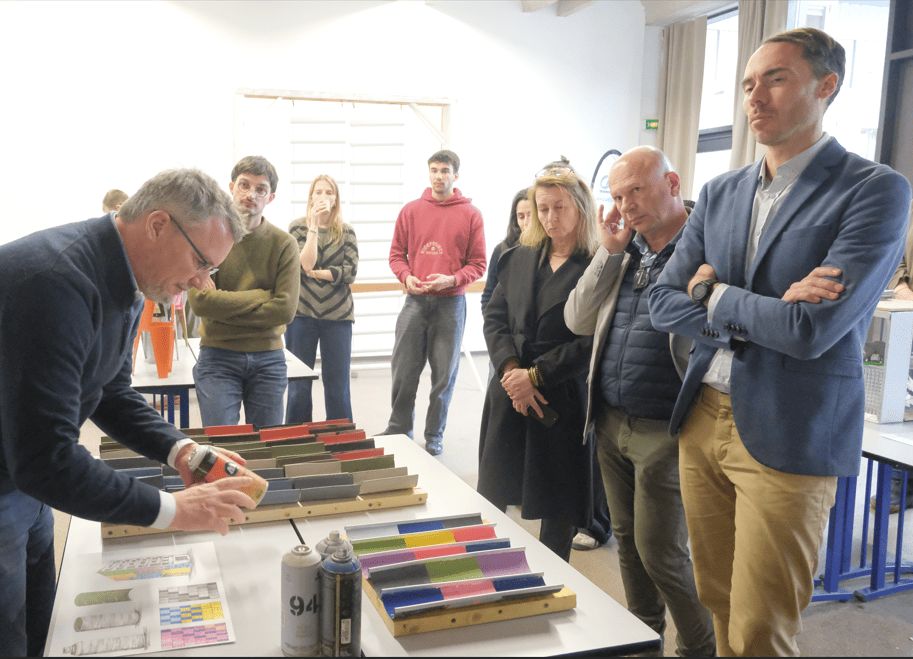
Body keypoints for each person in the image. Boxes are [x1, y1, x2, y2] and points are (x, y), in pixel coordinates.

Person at [648, 27, 912, 656]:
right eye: (747, 84)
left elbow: (810, 330)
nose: (754, 97)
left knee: (762, 627)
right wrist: (758, 307)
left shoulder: (873, 189)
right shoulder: (721, 191)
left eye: (775, 79)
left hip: (792, 426)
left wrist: (711, 292)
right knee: (717, 599)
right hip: (703, 417)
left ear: (826, 86)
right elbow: (661, 301)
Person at [0, 168, 259, 657]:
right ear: (158, 224)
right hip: (14, 478)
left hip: (22, 485)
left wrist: (183, 451)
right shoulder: (55, 283)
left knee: (39, 626)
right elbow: (46, 460)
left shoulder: (127, 280)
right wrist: (174, 511)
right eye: (201, 262)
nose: (202, 282)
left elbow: (110, 392)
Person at [565, 146, 715, 656]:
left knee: (662, 553)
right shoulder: (624, 250)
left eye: (636, 190)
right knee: (627, 542)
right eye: (617, 196)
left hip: (667, 427)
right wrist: (608, 251)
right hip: (611, 420)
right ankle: (643, 636)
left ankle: (700, 648)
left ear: (672, 184)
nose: (626, 205)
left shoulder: (706, 247)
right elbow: (577, 318)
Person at [477, 162, 599, 561]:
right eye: (542, 208)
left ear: (580, 207)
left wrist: (536, 376)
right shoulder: (517, 257)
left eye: (559, 207)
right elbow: (495, 317)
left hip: (560, 393)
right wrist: (512, 370)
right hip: (509, 387)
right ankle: (490, 568)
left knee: (557, 502)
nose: (549, 217)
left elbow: (592, 339)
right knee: (495, 488)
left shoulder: (598, 264)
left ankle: (554, 578)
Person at [382, 150, 486, 455]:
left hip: (451, 305)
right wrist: (406, 277)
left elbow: (478, 263)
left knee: (443, 376)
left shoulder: (471, 214)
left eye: (445, 171)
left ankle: (434, 435)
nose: (439, 176)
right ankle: (399, 429)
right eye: (434, 170)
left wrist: (452, 280)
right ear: (428, 173)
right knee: (403, 372)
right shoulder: (411, 211)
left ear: (456, 175)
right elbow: (396, 255)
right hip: (415, 303)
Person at [188, 156, 300, 429]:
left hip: (269, 359)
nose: (251, 194)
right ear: (231, 187)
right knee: (222, 442)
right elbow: (201, 303)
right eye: (244, 185)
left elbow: (285, 310)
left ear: (270, 197)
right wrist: (262, 295)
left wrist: (222, 309)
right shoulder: (208, 237)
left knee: (267, 446)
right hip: (217, 357)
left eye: (260, 189)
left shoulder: (284, 244)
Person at [286, 174, 359, 424]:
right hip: (301, 314)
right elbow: (303, 264)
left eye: (329, 192)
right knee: (298, 384)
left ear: (336, 199)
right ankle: (296, 436)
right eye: (318, 192)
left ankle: (341, 437)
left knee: (338, 385)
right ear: (310, 198)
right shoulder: (297, 228)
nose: (323, 197)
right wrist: (314, 227)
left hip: (338, 317)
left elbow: (350, 272)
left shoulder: (347, 232)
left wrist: (318, 274)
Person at [882, 201, 913, 513]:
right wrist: (903, 290)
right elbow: (895, 254)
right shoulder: (909, 209)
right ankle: (902, 482)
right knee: (903, 406)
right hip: (908, 315)